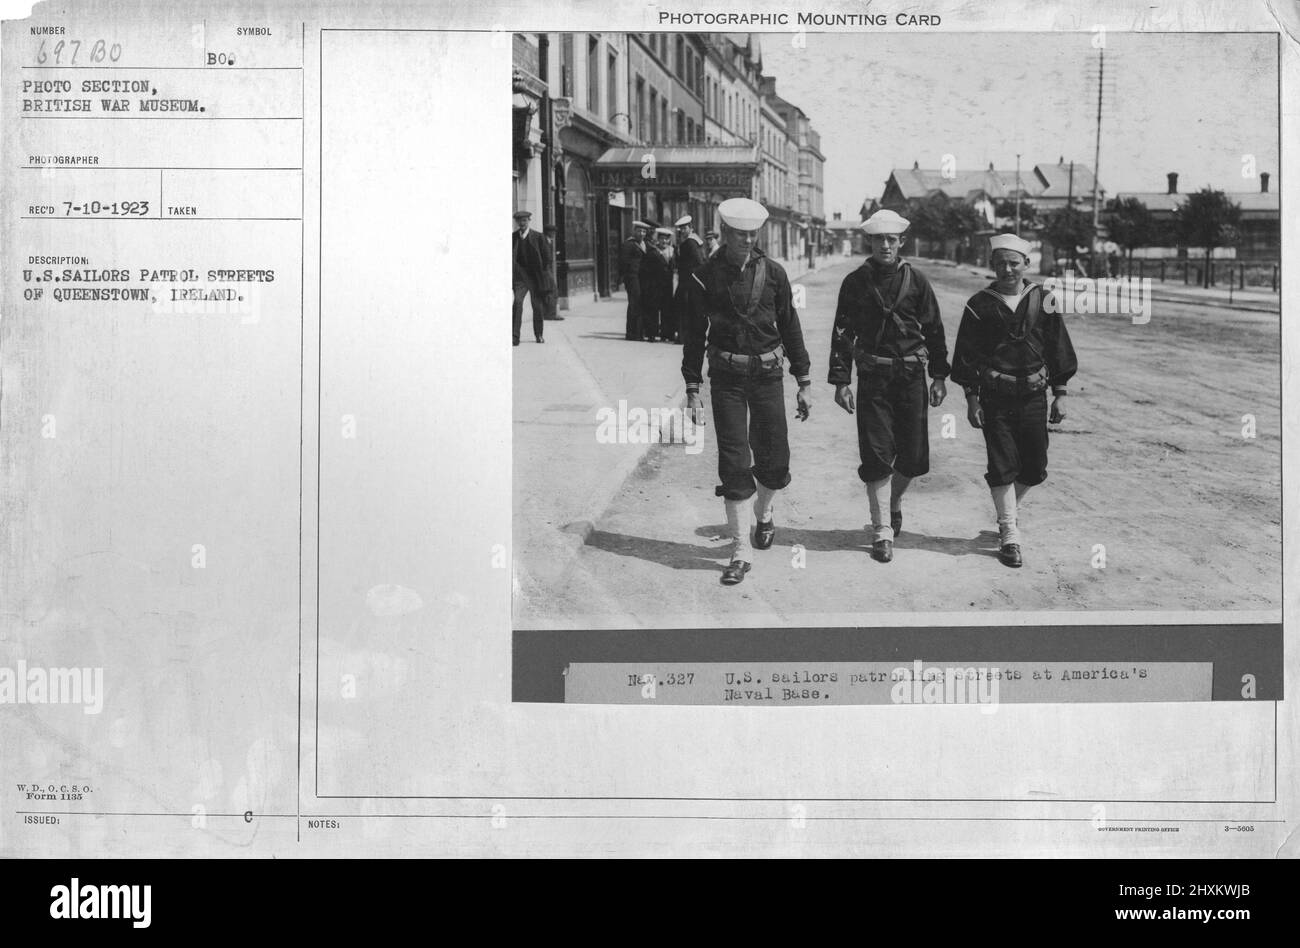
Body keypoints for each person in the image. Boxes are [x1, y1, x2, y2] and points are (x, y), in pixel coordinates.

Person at [682, 197, 813, 586]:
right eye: (740, 234)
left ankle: (765, 513)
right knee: (735, 461)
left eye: (753, 234)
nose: (747, 240)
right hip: (727, 381)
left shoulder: (774, 273)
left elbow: (790, 326)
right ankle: (740, 550)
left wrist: (804, 382)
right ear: (724, 233)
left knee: (775, 458)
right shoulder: (704, 275)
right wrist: (692, 387)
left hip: (769, 377)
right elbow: (693, 335)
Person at [828, 208, 949, 563]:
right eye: (878, 239)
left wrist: (939, 376)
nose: (884, 245)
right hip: (874, 378)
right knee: (877, 454)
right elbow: (842, 333)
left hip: (911, 377)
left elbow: (935, 330)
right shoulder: (855, 282)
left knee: (911, 458)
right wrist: (841, 381)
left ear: (901, 243)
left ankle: (894, 501)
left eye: (891, 240)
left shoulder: (918, 281)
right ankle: (881, 529)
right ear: (870, 241)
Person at [950, 233, 1078, 568]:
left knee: (1034, 467)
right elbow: (966, 356)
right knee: (1002, 464)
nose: (1007, 269)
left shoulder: (1044, 299)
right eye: (1000, 263)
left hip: (1034, 396)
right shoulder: (979, 304)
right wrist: (971, 398)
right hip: (995, 398)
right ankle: (1009, 533)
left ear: (1026, 264)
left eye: (1013, 262)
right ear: (991, 265)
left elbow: (1058, 349)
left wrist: (1060, 394)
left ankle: (1007, 512)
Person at [512, 210, 554, 345]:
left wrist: (542, 274)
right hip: (520, 277)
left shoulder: (538, 237)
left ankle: (539, 334)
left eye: (524, 221)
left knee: (537, 306)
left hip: (536, 278)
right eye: (519, 221)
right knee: (517, 303)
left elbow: (547, 258)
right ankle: (515, 336)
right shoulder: (513, 237)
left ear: (529, 221)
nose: (522, 224)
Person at [672, 215, 706, 344]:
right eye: (681, 228)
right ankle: (686, 336)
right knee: (687, 309)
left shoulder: (689, 243)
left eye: (684, 228)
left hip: (687, 281)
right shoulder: (696, 241)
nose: (682, 231)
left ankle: (682, 337)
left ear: (691, 228)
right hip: (690, 281)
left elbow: (697, 261)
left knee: (683, 309)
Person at [640, 227, 675, 342]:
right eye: (661, 239)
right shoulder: (653, 252)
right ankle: (652, 333)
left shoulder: (673, 251)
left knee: (667, 310)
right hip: (655, 285)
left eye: (666, 239)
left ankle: (666, 333)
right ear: (658, 240)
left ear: (669, 240)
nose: (664, 242)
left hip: (668, 285)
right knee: (653, 309)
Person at [619, 221, 650, 340]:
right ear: (634, 231)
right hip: (632, 278)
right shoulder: (628, 244)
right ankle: (632, 333)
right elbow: (623, 263)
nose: (642, 233)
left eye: (644, 231)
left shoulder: (645, 243)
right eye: (639, 231)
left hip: (642, 278)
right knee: (634, 303)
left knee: (640, 303)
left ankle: (639, 331)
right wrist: (626, 277)